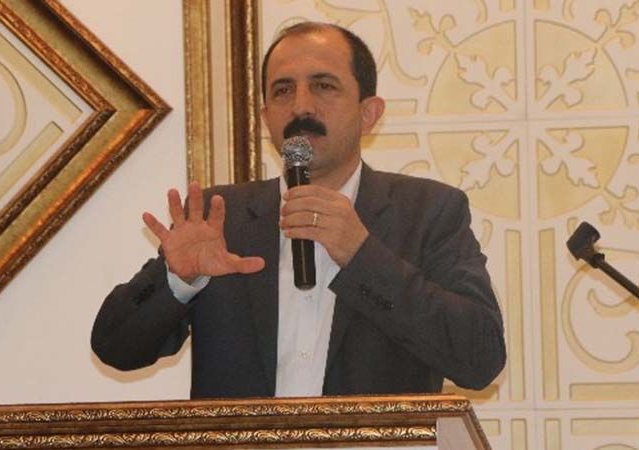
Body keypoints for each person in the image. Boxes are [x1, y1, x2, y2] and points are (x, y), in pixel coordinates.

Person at [91, 22, 506, 398]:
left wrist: (362, 256)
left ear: (369, 114)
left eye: (324, 86)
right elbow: (115, 348)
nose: (301, 106)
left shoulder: (428, 212)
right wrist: (177, 280)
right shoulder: (221, 217)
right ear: (265, 117)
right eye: (283, 90)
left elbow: (480, 359)